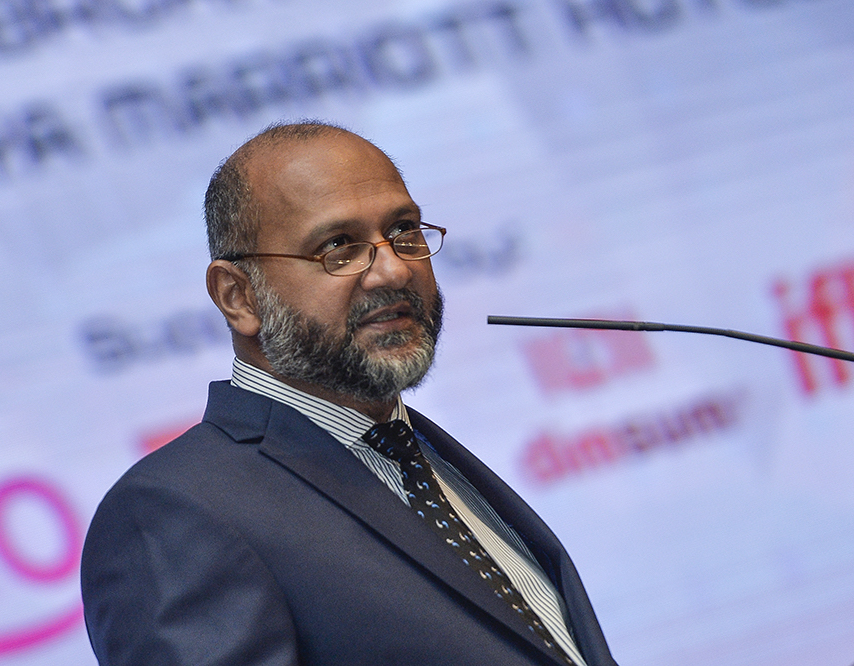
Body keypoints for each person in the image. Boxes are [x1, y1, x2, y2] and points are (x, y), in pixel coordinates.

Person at [81, 122, 619, 666]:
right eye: (337, 247)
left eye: (405, 230)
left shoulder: (421, 455)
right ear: (238, 296)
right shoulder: (174, 511)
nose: (393, 268)